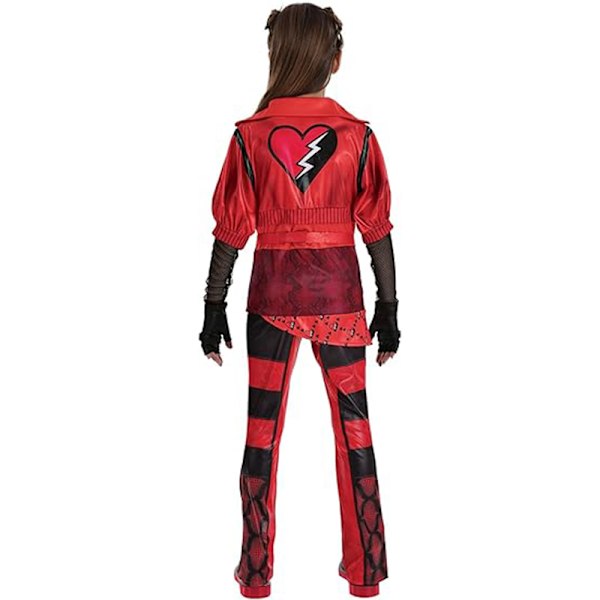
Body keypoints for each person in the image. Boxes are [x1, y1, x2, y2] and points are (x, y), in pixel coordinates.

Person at [199, 4, 400, 598]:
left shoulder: (250, 136)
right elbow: (377, 229)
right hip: (341, 300)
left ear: (275, 54)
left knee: (261, 433)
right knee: (355, 431)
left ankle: (255, 576)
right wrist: (389, 307)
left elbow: (231, 230)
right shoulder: (359, 136)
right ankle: (366, 574)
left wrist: (213, 306)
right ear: (333, 60)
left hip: (270, 298)